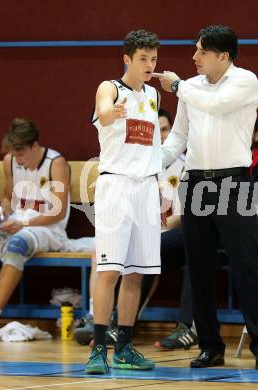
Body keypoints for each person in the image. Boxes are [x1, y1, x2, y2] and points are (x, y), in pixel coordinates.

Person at [157, 25, 258, 370]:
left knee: (246, 265)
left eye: (202, 52)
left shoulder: (244, 81)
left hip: (234, 183)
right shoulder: (191, 88)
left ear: (222, 56)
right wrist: (149, 164)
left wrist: (178, 87)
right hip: (195, 184)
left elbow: (217, 104)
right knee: (198, 267)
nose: (194, 57)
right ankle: (210, 345)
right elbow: (178, 136)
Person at [154, 124, 258, 351]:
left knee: (201, 257)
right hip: (206, 225)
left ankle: (188, 328)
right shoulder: (209, 163)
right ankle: (121, 325)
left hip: (242, 232)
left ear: (255, 135)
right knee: (150, 250)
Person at [85, 29, 162, 374]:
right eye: (143, 58)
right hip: (116, 187)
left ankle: (124, 348)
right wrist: (109, 113)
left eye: (154, 59)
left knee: (135, 275)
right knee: (110, 270)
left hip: (146, 189)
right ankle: (98, 349)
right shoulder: (110, 88)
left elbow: (152, 147)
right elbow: (102, 111)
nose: (150, 65)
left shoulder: (153, 95)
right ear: (127, 59)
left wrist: (159, 186)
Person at [75, 108, 184, 347]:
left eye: (165, 129)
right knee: (105, 261)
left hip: (168, 230)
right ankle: (97, 321)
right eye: (159, 129)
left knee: (137, 268)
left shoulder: (181, 165)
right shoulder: (131, 160)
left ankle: (121, 334)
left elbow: (183, 216)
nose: (162, 135)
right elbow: (102, 110)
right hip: (128, 216)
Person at [0, 118, 70, 318]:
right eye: (15, 154)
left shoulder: (56, 163)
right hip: (19, 222)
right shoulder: (10, 162)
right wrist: (1, 215)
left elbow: (58, 212)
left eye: (21, 154)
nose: (18, 159)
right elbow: (9, 199)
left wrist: (23, 223)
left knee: (17, 244)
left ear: (35, 146)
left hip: (49, 229)